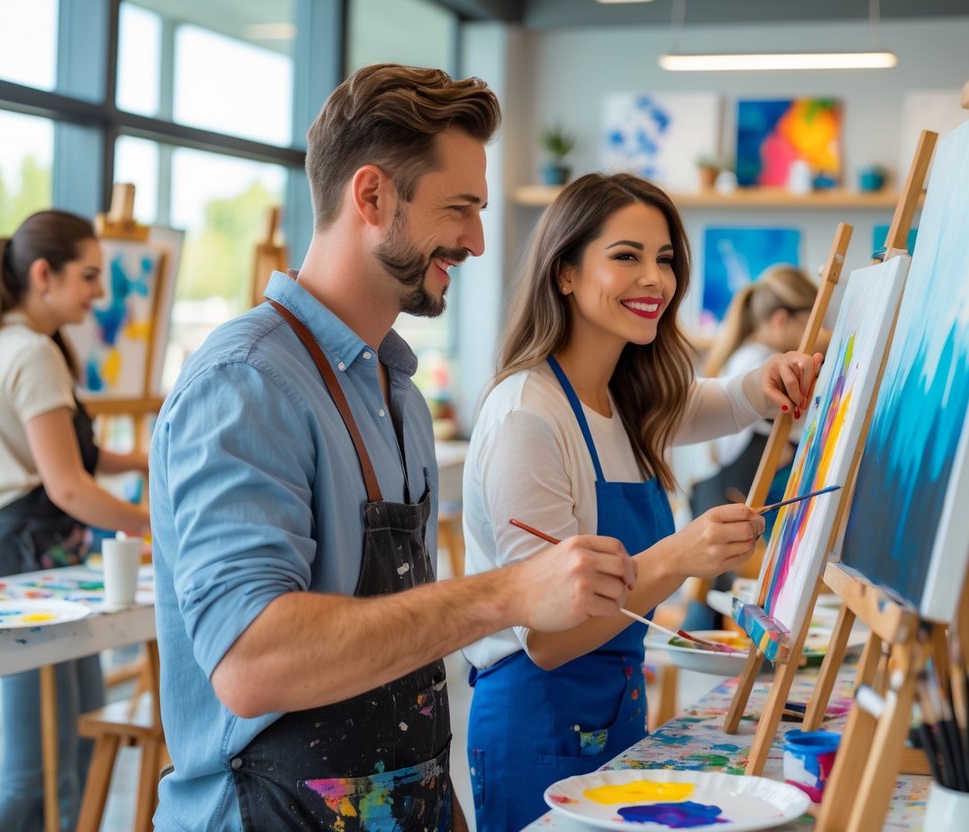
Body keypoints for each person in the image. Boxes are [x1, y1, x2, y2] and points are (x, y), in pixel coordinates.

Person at [148, 64, 638, 832]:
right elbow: (252, 663)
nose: (476, 240)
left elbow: (400, 645)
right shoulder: (246, 383)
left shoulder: (397, 389)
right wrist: (506, 594)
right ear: (372, 196)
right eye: (459, 209)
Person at [462, 173, 821, 830]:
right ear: (565, 272)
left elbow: (722, 398)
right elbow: (547, 636)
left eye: (664, 259)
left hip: (617, 704)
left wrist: (764, 378)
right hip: (539, 718)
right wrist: (680, 556)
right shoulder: (527, 418)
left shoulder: (627, 397)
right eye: (626, 256)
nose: (654, 279)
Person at [0, 210, 149, 831]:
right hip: (22, 563)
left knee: (77, 741)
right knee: (42, 766)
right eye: (89, 275)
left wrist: (149, 454)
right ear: (44, 273)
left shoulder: (7, 343)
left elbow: (71, 458)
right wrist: (157, 522)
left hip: (31, 556)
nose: (99, 293)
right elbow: (66, 486)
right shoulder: (33, 354)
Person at [682, 266, 820, 630]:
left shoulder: (746, 358)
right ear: (780, 319)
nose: (819, 333)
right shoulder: (760, 368)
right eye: (812, 322)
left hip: (730, 532)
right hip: (737, 542)